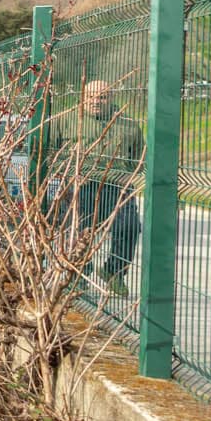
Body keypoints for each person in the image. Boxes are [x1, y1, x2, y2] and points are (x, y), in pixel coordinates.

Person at [52, 78, 141, 294]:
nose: (96, 101)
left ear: (111, 98)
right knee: (79, 230)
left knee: (129, 226)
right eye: (91, 96)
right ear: (82, 97)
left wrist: (125, 178)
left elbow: (137, 158)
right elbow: (51, 152)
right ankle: (79, 274)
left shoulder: (129, 125)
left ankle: (114, 272)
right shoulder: (65, 120)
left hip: (116, 185)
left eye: (102, 97)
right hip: (79, 185)